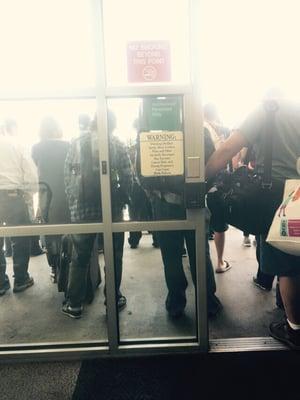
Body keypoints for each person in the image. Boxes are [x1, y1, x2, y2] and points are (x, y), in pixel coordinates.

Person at [205, 95, 300, 349]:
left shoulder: (268, 109)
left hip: (280, 198)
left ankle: (294, 328)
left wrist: (199, 176)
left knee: (286, 266)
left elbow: (228, 149)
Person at [139, 124, 222, 318]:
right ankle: (208, 301)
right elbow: (213, 165)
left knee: (171, 256)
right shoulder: (198, 129)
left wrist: (153, 194)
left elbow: (141, 170)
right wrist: (200, 189)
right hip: (194, 200)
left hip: (164, 201)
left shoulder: (152, 130)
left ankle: (176, 302)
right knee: (200, 252)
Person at [63, 111, 133, 318]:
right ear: (113, 125)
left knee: (80, 257)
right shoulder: (116, 143)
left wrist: (74, 203)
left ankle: (74, 304)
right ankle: (112, 299)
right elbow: (128, 177)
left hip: (82, 211)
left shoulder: (75, 142)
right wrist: (123, 200)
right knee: (114, 256)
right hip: (111, 211)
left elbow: (68, 177)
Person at [0, 119, 38, 295]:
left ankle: (1, 283)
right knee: (20, 239)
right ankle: (21, 279)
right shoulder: (16, 144)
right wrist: (30, 192)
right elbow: (30, 171)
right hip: (13, 197)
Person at [32, 116, 70, 282]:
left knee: (50, 232)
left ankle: (54, 268)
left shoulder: (36, 148)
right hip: (65, 192)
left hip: (46, 194)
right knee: (67, 231)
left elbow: (35, 172)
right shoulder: (67, 145)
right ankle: (66, 266)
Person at [204, 104, 231, 273]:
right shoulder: (220, 130)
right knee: (219, 226)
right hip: (216, 185)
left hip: (198, 187)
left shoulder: (195, 127)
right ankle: (220, 262)